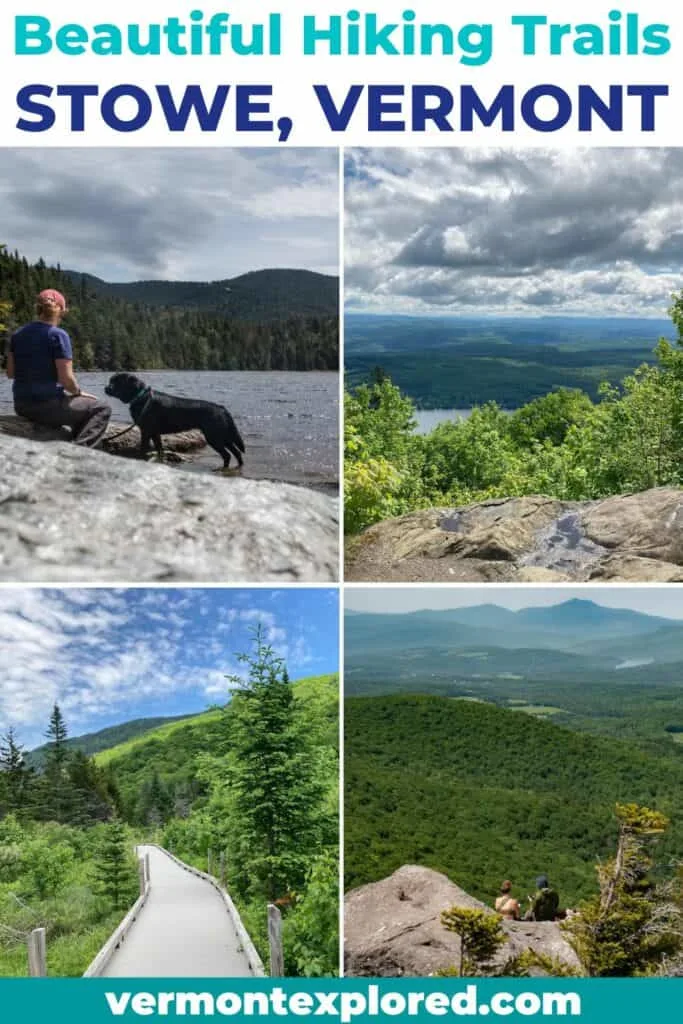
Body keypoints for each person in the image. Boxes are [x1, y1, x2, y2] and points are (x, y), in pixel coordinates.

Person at [6, 288, 111, 447]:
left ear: (37, 308)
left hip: (21, 405)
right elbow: (66, 380)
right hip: (46, 406)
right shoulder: (57, 335)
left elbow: (10, 373)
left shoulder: (18, 334)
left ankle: (71, 442)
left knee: (77, 414)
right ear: (62, 311)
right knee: (101, 407)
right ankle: (80, 454)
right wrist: (78, 393)